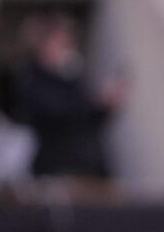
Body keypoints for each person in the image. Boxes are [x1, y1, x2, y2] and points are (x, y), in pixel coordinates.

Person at [16, 14, 123, 181]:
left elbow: (88, 123)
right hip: (57, 170)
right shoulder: (34, 81)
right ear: (44, 45)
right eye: (62, 43)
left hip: (90, 169)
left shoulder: (71, 79)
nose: (67, 50)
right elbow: (59, 114)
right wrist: (93, 104)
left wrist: (106, 106)